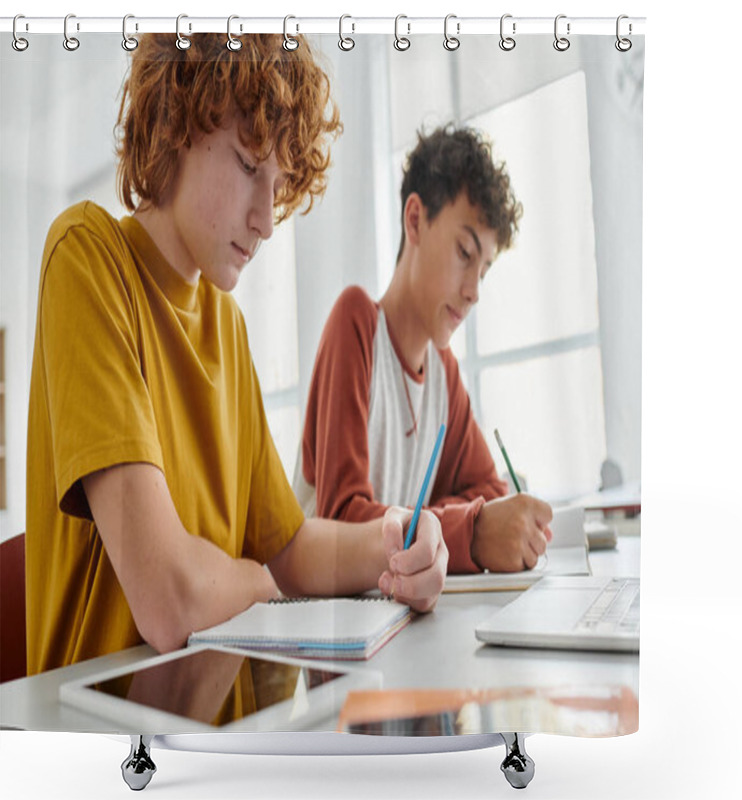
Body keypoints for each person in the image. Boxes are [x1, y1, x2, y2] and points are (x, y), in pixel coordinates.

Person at [25, 33, 446, 676]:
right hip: (105, 727)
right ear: (172, 123)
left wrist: (399, 539)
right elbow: (170, 600)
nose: (266, 220)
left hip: (217, 707)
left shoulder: (227, 323)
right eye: (250, 167)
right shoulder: (86, 257)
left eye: (277, 186)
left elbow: (290, 547)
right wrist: (254, 583)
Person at [294, 126, 553, 575]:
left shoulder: (443, 372)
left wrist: (429, 517)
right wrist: (459, 528)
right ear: (414, 220)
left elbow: (489, 488)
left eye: (485, 270)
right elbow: (341, 520)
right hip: (317, 615)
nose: (473, 291)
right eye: (464, 252)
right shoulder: (355, 324)